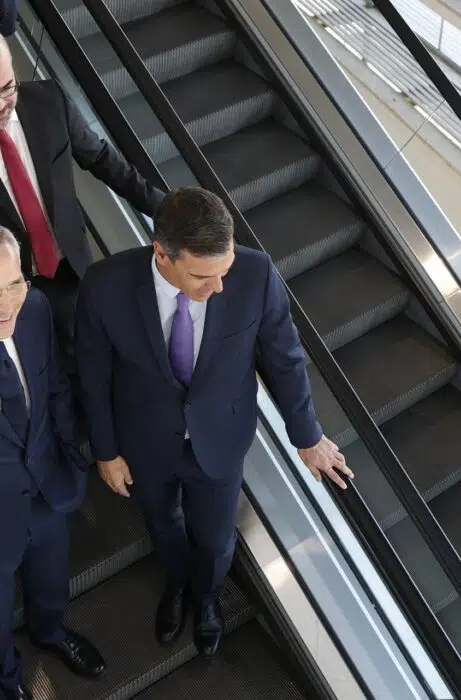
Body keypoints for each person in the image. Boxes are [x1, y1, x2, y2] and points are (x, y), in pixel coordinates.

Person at [75, 187, 353, 658]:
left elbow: (284, 359)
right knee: (162, 523)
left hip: (220, 439)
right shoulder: (105, 285)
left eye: (224, 270)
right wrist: (105, 451)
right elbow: (93, 375)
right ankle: (177, 583)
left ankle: (206, 597)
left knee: (217, 538)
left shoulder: (255, 273)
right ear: (162, 253)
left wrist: (307, 437)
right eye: (203, 276)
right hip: (143, 441)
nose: (219, 287)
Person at [0, 36, 164, 372]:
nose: (2, 104)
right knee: (38, 370)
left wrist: (167, 209)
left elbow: (101, 158)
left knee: (93, 354)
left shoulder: (48, 101)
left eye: (7, 88)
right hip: (10, 288)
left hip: (71, 265)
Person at [0, 227, 106, 700]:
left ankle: (49, 631)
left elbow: (56, 385)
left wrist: (71, 457)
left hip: (48, 483)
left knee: (50, 578)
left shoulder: (36, 308)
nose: (7, 305)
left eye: (13, 285)